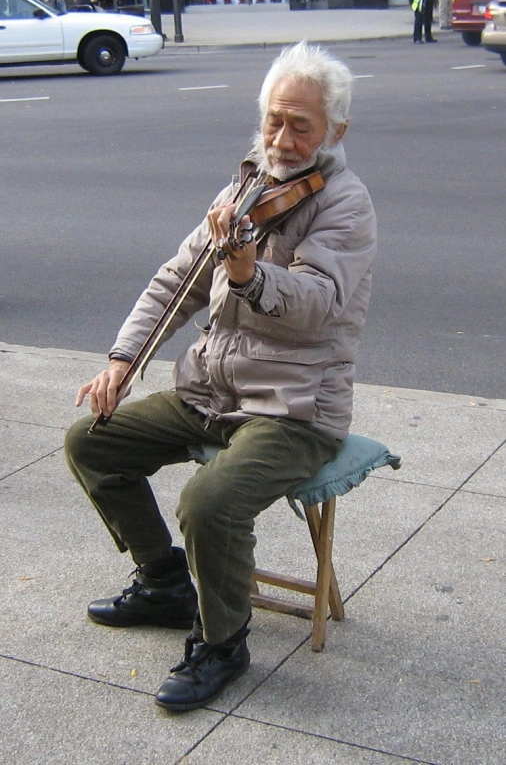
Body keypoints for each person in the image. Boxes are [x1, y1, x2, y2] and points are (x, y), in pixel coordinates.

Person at [64, 41, 377, 713]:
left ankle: (222, 640)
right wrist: (123, 361)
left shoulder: (346, 206)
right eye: (274, 119)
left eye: (302, 124)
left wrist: (248, 274)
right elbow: (177, 280)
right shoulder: (244, 188)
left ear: (336, 131)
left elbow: (318, 306)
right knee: (91, 440)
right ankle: (164, 579)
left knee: (208, 501)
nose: (283, 137)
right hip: (215, 390)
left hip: (295, 409)